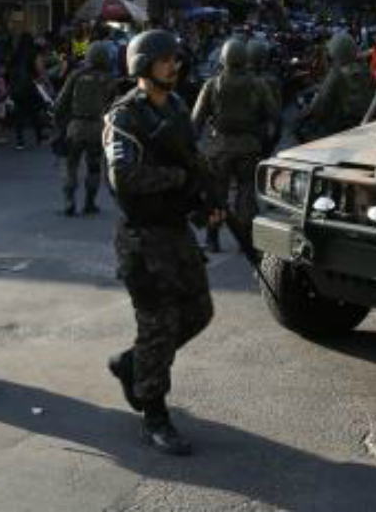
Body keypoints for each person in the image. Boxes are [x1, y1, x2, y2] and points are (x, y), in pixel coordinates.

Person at [103, 30, 219, 456]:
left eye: (176, 59)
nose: (175, 66)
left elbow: (191, 159)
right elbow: (124, 178)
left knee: (199, 311)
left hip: (175, 231)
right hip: (142, 237)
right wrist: (180, 180)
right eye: (165, 60)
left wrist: (204, 202)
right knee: (157, 324)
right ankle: (154, 413)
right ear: (142, 65)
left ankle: (132, 364)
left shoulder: (175, 106)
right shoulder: (125, 117)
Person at [193, 39, 279, 253]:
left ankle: (212, 239)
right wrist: (267, 145)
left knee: (217, 196)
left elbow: (195, 121)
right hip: (249, 148)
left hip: (219, 148)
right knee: (246, 194)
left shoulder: (212, 85)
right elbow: (275, 118)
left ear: (223, 58)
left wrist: (193, 149)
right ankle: (244, 241)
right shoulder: (259, 85)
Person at [53, 41, 115, 215]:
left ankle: (69, 201)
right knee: (93, 166)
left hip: (76, 127)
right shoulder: (110, 79)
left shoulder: (76, 75)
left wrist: (58, 124)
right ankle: (89, 203)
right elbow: (114, 106)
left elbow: (61, 102)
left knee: (71, 165)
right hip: (98, 128)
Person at [295, 32, 376, 142]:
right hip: (367, 125)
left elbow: (320, 109)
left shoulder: (337, 74)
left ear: (336, 51)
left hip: (340, 131)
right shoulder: (365, 70)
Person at [9, 33, 46, 150]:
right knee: (35, 113)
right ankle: (39, 138)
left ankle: (20, 142)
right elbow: (40, 69)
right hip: (30, 87)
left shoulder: (15, 54)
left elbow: (9, 70)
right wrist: (42, 81)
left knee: (19, 114)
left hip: (16, 88)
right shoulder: (34, 53)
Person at [247, 38, 283, 156]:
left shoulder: (229, 79)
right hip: (259, 136)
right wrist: (274, 139)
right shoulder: (270, 82)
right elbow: (277, 117)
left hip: (227, 141)